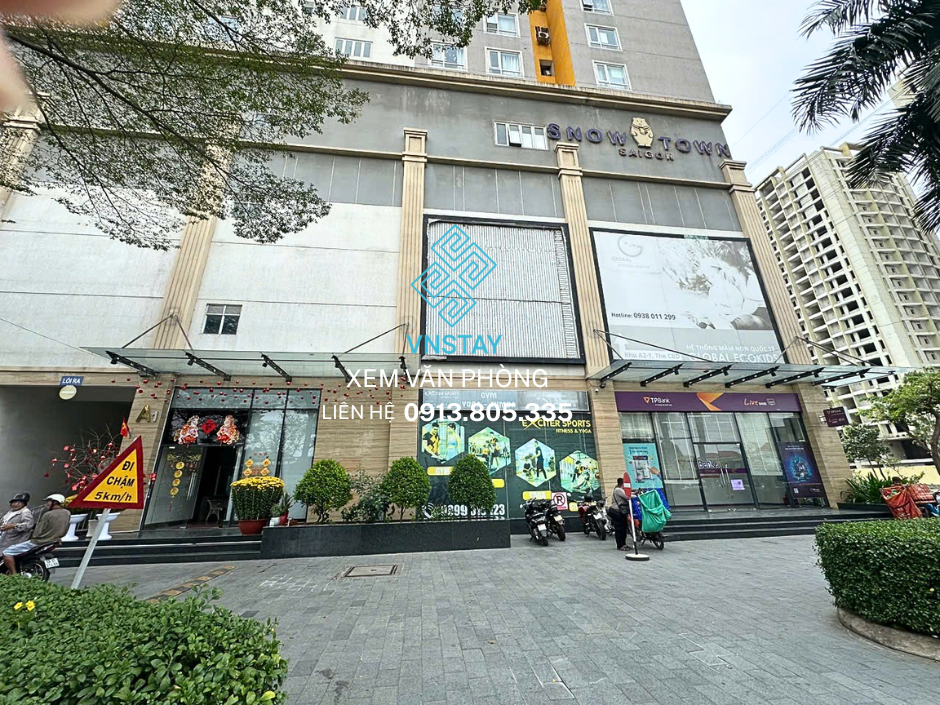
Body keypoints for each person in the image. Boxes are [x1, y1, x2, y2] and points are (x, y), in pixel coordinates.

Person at [2, 494, 70, 575]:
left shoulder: (46, 514)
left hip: (39, 541)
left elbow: (37, 530)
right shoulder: (67, 513)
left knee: (7, 553)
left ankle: (13, 574)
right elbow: (66, 526)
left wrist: (30, 537)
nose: (46, 504)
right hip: (54, 540)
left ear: (55, 502)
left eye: (48, 502)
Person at [611, 478, 631, 551]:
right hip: (617, 512)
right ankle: (620, 545)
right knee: (620, 529)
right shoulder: (618, 490)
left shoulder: (619, 489)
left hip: (621, 512)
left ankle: (623, 544)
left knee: (623, 528)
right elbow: (627, 496)